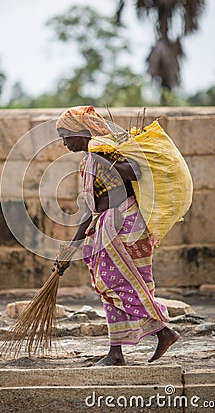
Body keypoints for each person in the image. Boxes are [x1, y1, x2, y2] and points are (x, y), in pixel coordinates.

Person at [55, 105, 179, 366]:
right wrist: (68, 251)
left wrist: (106, 154)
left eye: (65, 135)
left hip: (127, 226)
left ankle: (161, 331)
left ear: (81, 131)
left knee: (119, 285)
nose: (63, 142)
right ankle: (117, 352)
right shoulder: (87, 161)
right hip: (107, 226)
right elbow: (90, 210)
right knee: (110, 287)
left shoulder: (105, 153)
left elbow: (136, 172)